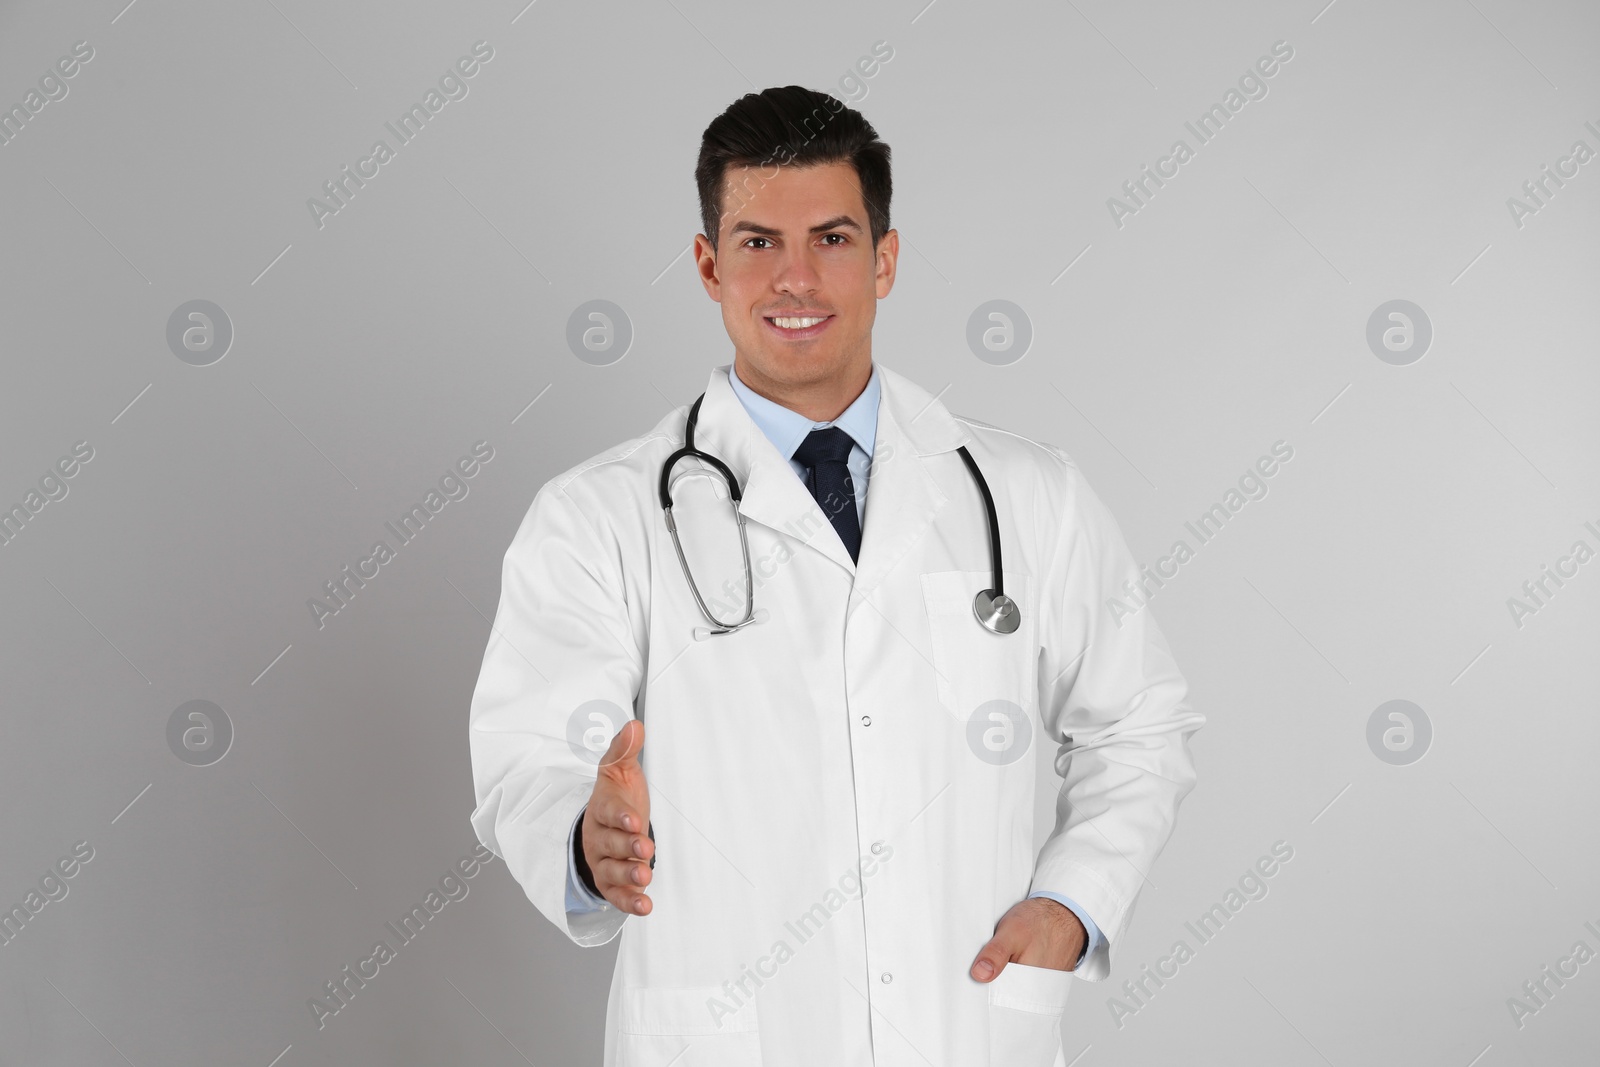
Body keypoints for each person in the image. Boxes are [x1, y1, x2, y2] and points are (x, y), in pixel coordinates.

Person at [468, 85, 1204, 1067]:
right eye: (758, 242)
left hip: (964, 1028)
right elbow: (527, 758)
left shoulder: (1027, 495)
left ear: (886, 259)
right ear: (706, 264)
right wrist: (583, 837)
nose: (796, 278)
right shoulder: (598, 514)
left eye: (833, 237)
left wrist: (1072, 904)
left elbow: (1138, 724)